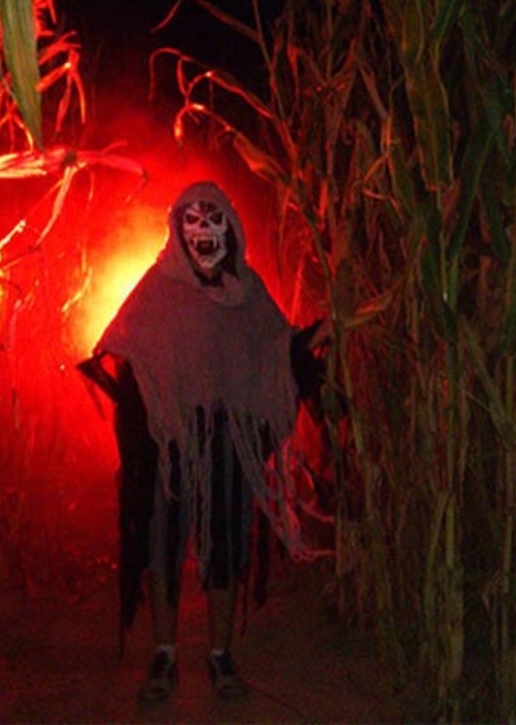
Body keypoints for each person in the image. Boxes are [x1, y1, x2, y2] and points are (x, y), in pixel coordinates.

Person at [80, 180, 326, 702]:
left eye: (212, 219)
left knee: (227, 544)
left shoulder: (249, 294)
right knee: (162, 546)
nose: (202, 231)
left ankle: (219, 655)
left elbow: (276, 349)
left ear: (230, 228)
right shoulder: (158, 288)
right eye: (191, 221)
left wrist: (310, 345)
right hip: (169, 444)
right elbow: (128, 343)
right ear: (177, 230)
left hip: (227, 443)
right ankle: (164, 654)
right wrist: (142, 397)